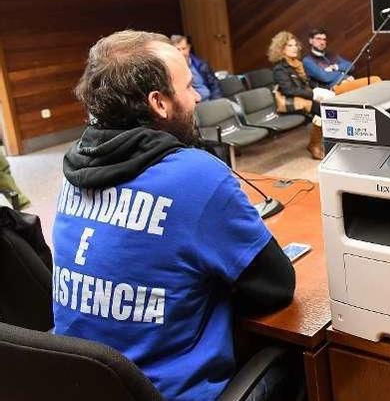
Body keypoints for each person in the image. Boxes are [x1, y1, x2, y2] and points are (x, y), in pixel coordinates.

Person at [53, 30, 296, 401]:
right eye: (187, 86)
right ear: (159, 103)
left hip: (82, 388)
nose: (198, 95)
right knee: (304, 359)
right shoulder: (196, 175)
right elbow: (276, 288)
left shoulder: (72, 171)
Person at [268, 31, 333, 160]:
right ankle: (314, 145)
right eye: (289, 46)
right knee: (321, 109)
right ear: (281, 49)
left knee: (327, 104)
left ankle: (327, 142)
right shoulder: (280, 68)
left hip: (302, 97)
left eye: (295, 45)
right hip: (289, 102)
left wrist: (318, 91)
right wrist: (313, 94)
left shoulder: (296, 64)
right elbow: (289, 90)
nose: (294, 48)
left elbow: (306, 84)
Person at [170, 34, 222, 101]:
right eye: (178, 50)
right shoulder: (172, 71)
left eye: (183, 48)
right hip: (195, 106)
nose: (181, 53)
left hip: (211, 101)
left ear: (188, 48)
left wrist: (216, 102)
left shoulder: (202, 65)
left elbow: (215, 85)